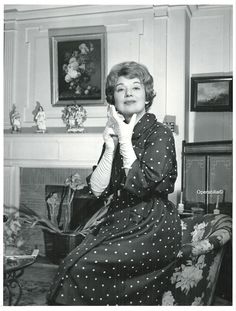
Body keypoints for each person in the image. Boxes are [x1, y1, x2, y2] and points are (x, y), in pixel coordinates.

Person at [47, 61, 181, 305]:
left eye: (136, 87)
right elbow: (98, 189)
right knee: (69, 262)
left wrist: (126, 140)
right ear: (114, 99)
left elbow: (144, 184)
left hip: (152, 224)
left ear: (147, 95)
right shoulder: (115, 133)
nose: (128, 93)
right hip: (120, 220)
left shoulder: (160, 133)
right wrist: (110, 148)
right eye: (121, 89)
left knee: (81, 268)